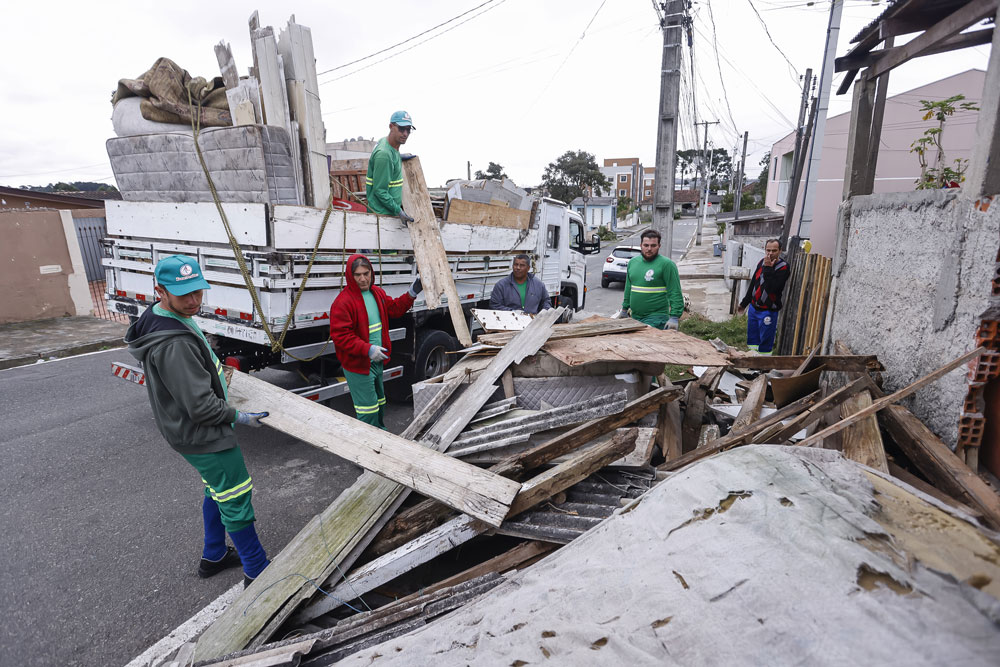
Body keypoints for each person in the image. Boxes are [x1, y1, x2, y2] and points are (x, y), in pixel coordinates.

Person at [125, 255, 270, 587]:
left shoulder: (160, 315)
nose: (193, 301)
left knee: (217, 490)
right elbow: (201, 407)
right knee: (235, 495)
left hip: (184, 429)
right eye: (184, 294)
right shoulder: (173, 343)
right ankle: (257, 571)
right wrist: (240, 416)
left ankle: (214, 554)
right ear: (159, 291)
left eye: (198, 292)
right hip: (204, 433)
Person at [330, 254, 422, 429]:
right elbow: (341, 336)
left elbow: (394, 309)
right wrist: (368, 349)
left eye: (366, 273)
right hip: (359, 364)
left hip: (377, 361)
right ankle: (367, 446)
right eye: (358, 275)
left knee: (380, 403)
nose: (363, 279)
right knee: (368, 411)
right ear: (350, 276)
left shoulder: (377, 293)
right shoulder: (343, 302)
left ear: (372, 273)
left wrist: (412, 292)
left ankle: (380, 436)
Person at [616, 229, 684, 329]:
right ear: (641, 245)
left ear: (659, 246)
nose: (649, 249)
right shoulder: (632, 263)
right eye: (646, 245)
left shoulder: (667, 265)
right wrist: (624, 309)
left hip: (657, 318)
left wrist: (674, 316)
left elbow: (675, 291)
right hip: (635, 317)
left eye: (653, 246)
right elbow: (628, 288)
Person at [738, 238, 790, 355]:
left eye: (774, 251)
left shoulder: (784, 267)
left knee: (765, 340)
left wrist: (768, 269)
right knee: (752, 340)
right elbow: (754, 283)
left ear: (780, 251)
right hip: (754, 308)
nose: (770, 254)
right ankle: (752, 362)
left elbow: (772, 288)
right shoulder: (762, 262)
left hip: (768, 311)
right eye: (768, 250)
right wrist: (744, 303)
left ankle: (763, 365)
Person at [366, 110, 417, 223]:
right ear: (391, 126)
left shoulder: (386, 142)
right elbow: (380, 191)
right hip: (382, 215)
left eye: (408, 130)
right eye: (401, 129)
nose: (405, 134)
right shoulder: (384, 155)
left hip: (387, 211)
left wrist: (397, 157)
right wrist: (398, 211)